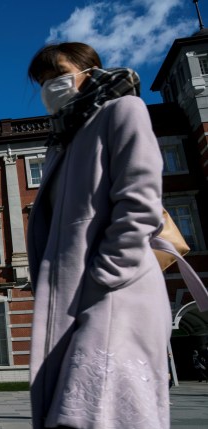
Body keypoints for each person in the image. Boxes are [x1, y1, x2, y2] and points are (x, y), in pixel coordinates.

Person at [26, 42, 171, 428]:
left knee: (93, 410)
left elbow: (140, 202)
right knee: (80, 410)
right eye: (42, 81)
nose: (49, 86)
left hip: (117, 292)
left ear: (88, 71)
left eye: (57, 74)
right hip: (76, 294)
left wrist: (105, 275)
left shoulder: (123, 110)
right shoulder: (61, 142)